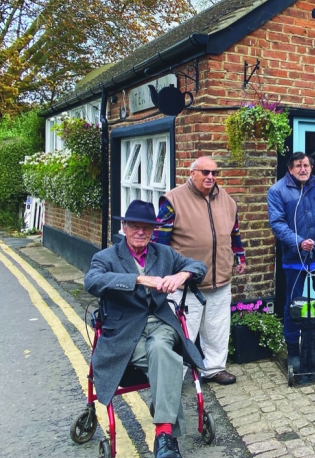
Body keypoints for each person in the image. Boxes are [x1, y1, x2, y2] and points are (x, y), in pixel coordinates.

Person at [84, 200, 207, 458]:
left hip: (161, 323)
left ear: (153, 230)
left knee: (162, 345)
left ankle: (163, 436)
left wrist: (181, 276)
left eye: (147, 228)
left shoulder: (164, 253)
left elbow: (199, 266)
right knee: (164, 356)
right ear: (124, 227)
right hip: (124, 331)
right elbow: (92, 281)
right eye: (135, 227)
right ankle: (166, 437)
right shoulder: (105, 257)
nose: (141, 232)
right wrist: (137, 279)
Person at [152, 156, 246, 386]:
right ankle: (174, 378)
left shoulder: (228, 201)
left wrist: (239, 256)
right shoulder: (173, 200)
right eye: (204, 172)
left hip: (220, 279)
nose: (210, 177)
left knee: (217, 329)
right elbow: (159, 241)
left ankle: (214, 369)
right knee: (182, 334)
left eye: (214, 173)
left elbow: (234, 234)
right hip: (186, 284)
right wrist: (161, 274)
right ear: (191, 173)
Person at [267, 151, 315, 371]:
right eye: (298, 165)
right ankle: (293, 350)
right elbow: (277, 223)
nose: (303, 169)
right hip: (295, 257)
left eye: (307, 165)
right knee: (294, 304)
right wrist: (299, 242)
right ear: (290, 169)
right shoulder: (277, 191)